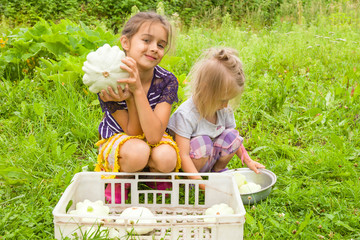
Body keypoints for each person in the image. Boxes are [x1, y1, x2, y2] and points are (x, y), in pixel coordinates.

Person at [94, 12, 181, 201]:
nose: (154, 49)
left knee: (167, 157)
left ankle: (151, 173)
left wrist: (138, 91)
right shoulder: (108, 79)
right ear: (126, 42)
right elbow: (132, 132)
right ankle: (121, 178)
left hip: (152, 135)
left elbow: (154, 136)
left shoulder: (167, 81)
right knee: (137, 152)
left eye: (160, 45)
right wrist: (131, 99)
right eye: (146, 40)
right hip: (123, 139)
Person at [168, 47, 265, 186]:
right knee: (203, 142)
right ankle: (194, 179)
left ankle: (217, 172)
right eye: (222, 100)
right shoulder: (186, 115)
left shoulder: (223, 110)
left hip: (210, 156)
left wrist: (248, 161)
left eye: (228, 100)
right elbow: (182, 155)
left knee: (231, 135)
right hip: (189, 165)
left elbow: (234, 141)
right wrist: (201, 185)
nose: (225, 105)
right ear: (204, 89)